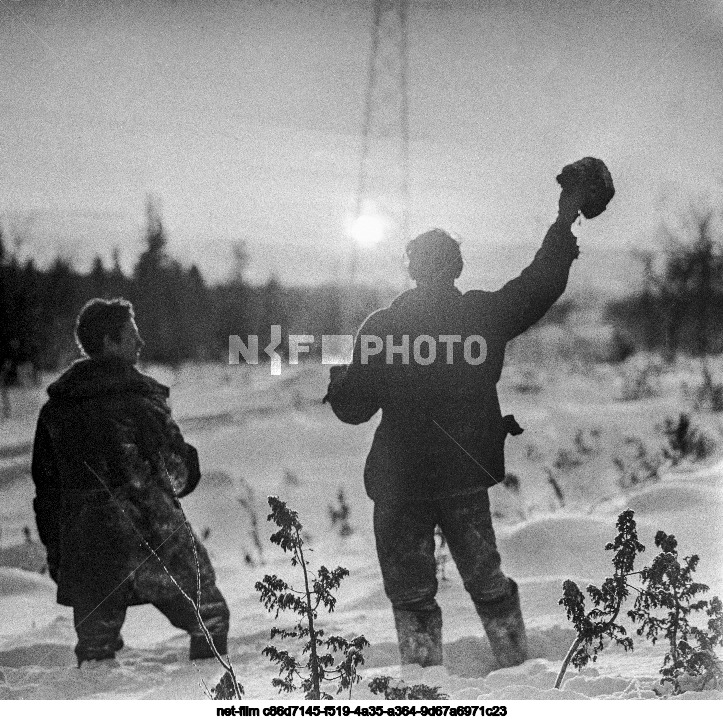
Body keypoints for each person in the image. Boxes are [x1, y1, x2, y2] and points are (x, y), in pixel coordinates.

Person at [325, 167, 610, 669]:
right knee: (487, 582)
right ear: (456, 268)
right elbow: (539, 284)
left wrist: (340, 385)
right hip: (461, 476)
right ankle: (518, 668)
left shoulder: (383, 327)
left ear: (412, 269)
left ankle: (418, 685)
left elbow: (355, 409)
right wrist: (565, 221)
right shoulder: (481, 316)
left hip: (400, 481)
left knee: (412, 596)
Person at [31, 298, 229, 666]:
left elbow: (46, 494)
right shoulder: (139, 403)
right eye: (131, 336)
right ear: (109, 342)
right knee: (211, 619)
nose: (140, 344)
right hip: (156, 542)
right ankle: (207, 697)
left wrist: (60, 551)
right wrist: (190, 460)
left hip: (88, 553)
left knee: (95, 654)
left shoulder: (55, 410)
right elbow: (177, 474)